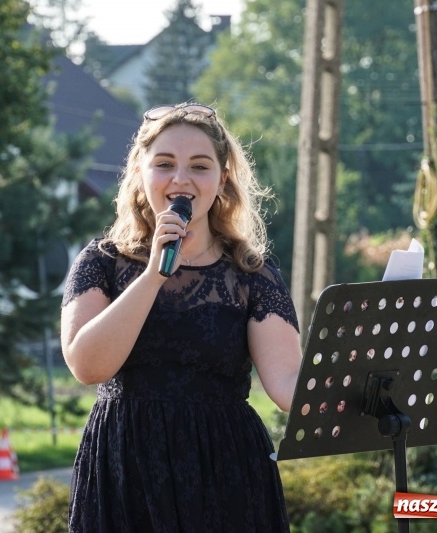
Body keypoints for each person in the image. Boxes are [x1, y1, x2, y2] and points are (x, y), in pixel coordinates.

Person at [60, 102, 304, 532]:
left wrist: (351, 379)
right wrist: (153, 275)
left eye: (199, 166)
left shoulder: (252, 274)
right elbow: (87, 366)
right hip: (126, 469)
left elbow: (288, 385)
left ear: (222, 178)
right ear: (141, 171)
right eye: (165, 164)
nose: (181, 179)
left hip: (226, 471)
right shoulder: (102, 263)